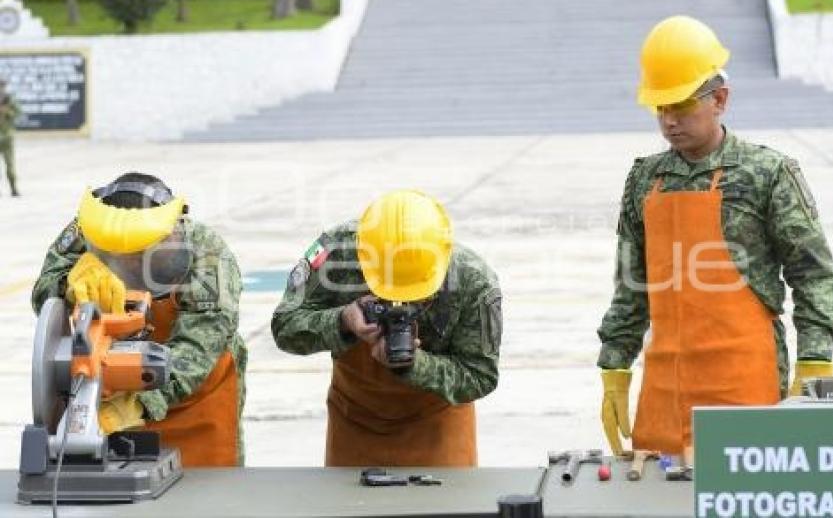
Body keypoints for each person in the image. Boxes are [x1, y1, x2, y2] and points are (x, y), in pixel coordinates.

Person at [597, 16, 833, 457]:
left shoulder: (769, 173)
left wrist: (814, 358)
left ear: (720, 100)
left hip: (743, 383)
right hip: (664, 388)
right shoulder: (643, 179)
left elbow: (814, 275)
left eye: (682, 105)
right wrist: (615, 365)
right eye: (661, 108)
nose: (669, 121)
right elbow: (630, 284)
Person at [272, 189, 502, 467]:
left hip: (437, 424)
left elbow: (480, 375)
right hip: (355, 420)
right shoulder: (337, 252)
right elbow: (285, 326)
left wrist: (416, 366)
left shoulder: (473, 281)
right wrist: (342, 321)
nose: (400, 303)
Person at [32, 172, 247, 466]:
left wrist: (137, 404)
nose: (130, 264)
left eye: (141, 255)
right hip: (105, 390)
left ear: (171, 233)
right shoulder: (87, 231)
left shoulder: (209, 257)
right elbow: (44, 299)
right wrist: (67, 286)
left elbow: (198, 348)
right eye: (120, 257)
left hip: (198, 404)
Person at [0, 79, 20, 197]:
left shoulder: (9, 100)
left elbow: (18, 112)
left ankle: (13, 188)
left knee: (10, 165)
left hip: (7, 137)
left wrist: (7, 112)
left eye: (2, 86)